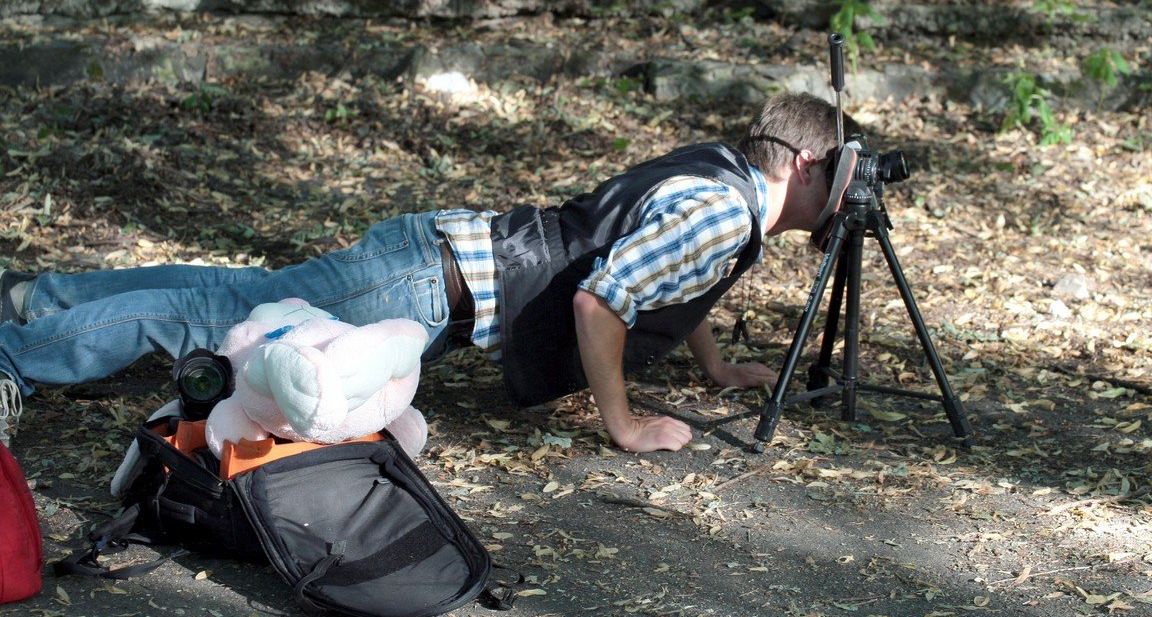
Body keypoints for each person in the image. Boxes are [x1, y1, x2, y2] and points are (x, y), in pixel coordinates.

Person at [0, 91, 856, 453]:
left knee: (232, 296)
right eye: (843, 183)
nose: (841, 206)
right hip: (423, 288)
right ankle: (18, 353)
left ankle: (50, 300)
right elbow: (605, 299)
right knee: (212, 321)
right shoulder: (727, 212)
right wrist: (623, 425)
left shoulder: (717, 176)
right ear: (809, 163)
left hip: (435, 266)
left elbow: (653, 270)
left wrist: (712, 365)